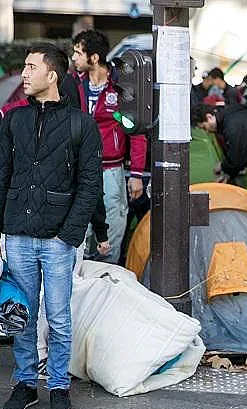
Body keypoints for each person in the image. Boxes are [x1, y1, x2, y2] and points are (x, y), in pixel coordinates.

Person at [0, 43, 102, 409]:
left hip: (58, 239)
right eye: (25, 66)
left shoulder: (81, 124)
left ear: (52, 75)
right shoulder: (14, 120)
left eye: (31, 67)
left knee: (59, 317)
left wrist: (69, 234)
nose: (24, 73)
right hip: (17, 234)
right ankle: (25, 383)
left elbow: (90, 186)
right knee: (23, 315)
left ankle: (59, 386)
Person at [72, 28, 147, 264]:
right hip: (80, 168)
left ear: (94, 57)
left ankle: (107, 276)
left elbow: (136, 131)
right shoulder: (74, 84)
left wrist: (136, 174)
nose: (73, 58)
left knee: (112, 227)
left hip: (111, 170)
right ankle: (80, 278)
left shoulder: (121, 86)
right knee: (80, 231)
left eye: (78, 53)